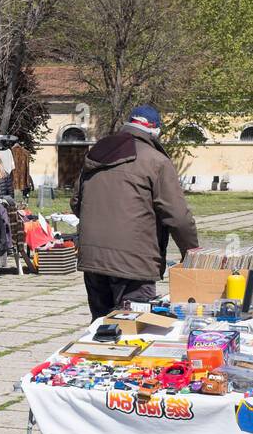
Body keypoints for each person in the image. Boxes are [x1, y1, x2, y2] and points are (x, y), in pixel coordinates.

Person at [72, 105, 199, 319]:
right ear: (155, 131)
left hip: (93, 258)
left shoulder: (98, 153)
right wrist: (192, 252)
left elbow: (76, 203)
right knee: (134, 330)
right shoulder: (157, 161)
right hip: (134, 261)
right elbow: (178, 217)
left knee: (100, 328)